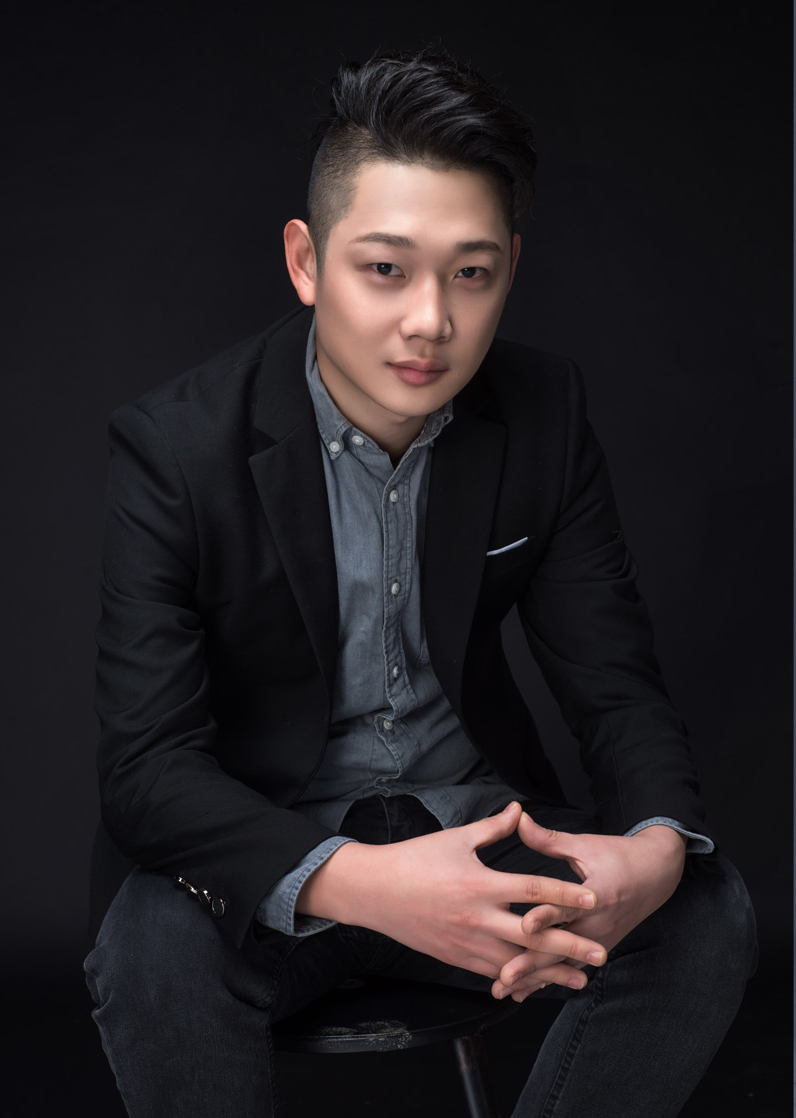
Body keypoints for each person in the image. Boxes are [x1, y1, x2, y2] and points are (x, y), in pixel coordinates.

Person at [84, 48, 756, 1117]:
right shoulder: (174, 446)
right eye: (386, 269)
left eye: (470, 274)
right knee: (152, 945)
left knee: (705, 906)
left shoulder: (543, 414)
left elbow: (616, 691)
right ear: (306, 261)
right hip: (273, 853)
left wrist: (656, 851)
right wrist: (365, 881)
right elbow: (147, 770)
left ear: (509, 269)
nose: (431, 321)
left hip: (476, 835)